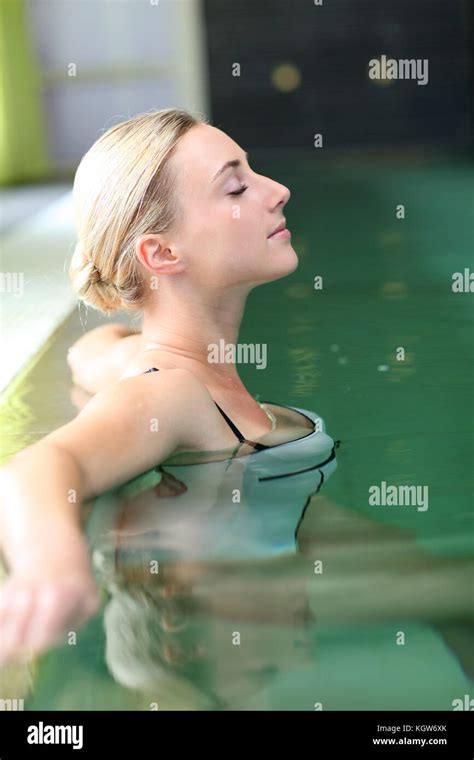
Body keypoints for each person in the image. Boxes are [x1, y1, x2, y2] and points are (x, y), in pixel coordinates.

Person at [0, 107, 338, 662]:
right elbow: (34, 470)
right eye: (235, 188)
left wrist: (116, 359)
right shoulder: (172, 396)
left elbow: (92, 350)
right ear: (161, 253)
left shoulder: (144, 367)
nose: (277, 191)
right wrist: (48, 569)